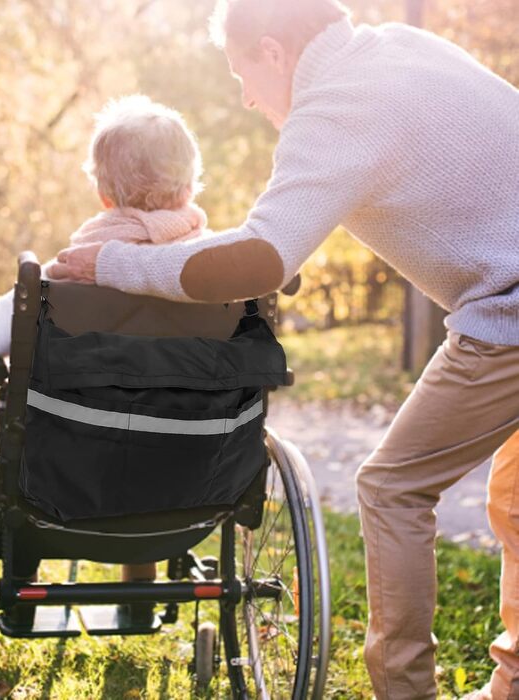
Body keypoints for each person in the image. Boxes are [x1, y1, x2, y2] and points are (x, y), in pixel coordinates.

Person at [47, 1, 519, 697]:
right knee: (514, 494)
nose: (244, 94)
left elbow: (260, 258)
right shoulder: (402, 49)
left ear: (272, 51)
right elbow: (274, 243)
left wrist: (111, 264)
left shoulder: (331, 109)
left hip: (508, 313)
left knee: (391, 488)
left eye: (242, 72)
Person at [0, 94, 206, 590]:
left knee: (18, 423)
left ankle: (22, 567)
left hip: (64, 489)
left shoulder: (56, 283)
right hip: (191, 486)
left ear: (104, 196)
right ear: (189, 187)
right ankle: (139, 582)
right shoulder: (220, 282)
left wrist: (0, 389)